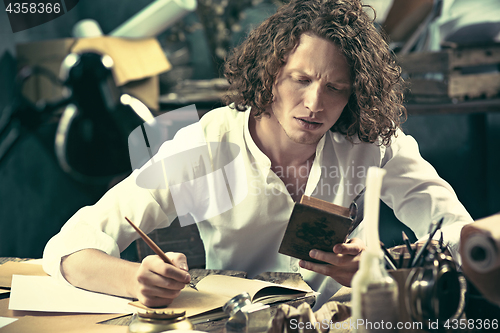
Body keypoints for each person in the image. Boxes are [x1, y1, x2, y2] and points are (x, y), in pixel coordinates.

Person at [43, 0, 473, 310]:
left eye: (335, 88)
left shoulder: (371, 141)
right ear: (268, 75)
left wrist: (383, 266)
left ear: (354, 95)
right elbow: (69, 247)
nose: (314, 104)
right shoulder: (207, 144)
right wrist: (136, 280)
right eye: (299, 79)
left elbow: (462, 235)